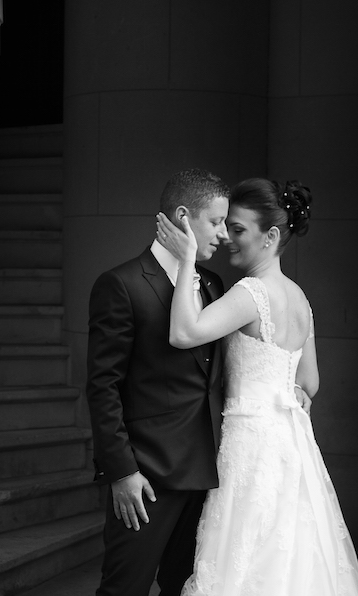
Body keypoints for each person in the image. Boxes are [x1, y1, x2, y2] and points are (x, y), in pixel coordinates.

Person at [155, 178, 358, 596]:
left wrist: (187, 260)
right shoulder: (299, 297)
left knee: (244, 554)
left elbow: (183, 332)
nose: (228, 238)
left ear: (270, 236)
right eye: (226, 228)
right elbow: (309, 383)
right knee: (292, 554)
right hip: (292, 444)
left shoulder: (252, 292)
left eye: (238, 230)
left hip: (249, 444)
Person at [86, 169, 231, 596]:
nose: (223, 234)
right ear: (184, 217)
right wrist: (122, 471)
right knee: (124, 589)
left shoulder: (214, 283)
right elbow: (102, 387)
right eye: (216, 221)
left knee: (183, 589)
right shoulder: (121, 284)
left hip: (207, 475)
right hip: (146, 478)